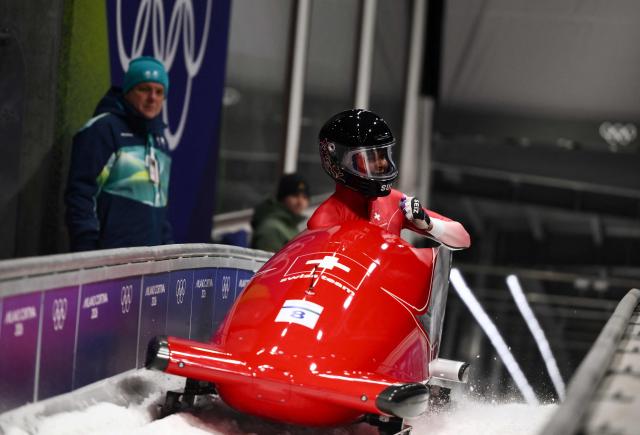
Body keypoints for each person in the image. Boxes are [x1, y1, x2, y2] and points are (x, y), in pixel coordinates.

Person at [308, 109, 470, 249]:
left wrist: (429, 225)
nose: (383, 163)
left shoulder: (396, 202)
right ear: (339, 162)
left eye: (384, 154)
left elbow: (463, 238)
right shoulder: (322, 221)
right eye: (370, 157)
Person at [65, 56, 173, 251]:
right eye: (144, 89)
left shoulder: (159, 140)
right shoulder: (104, 129)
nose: (152, 98)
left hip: (149, 263)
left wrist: (167, 249)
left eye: (159, 92)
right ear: (128, 91)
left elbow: (160, 205)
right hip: (107, 260)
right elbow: (81, 194)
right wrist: (87, 248)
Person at [251, 173, 310, 252]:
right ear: (282, 198)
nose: (300, 202)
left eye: (305, 197)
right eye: (295, 195)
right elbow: (268, 263)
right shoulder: (272, 229)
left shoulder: (289, 225)